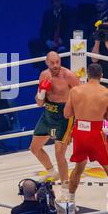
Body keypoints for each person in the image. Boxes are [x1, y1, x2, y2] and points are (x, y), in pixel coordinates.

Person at [63, 63, 108, 214]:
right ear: (101, 75)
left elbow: (66, 114)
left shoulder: (75, 90)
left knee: (78, 168)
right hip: (95, 133)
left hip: (79, 131)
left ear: (87, 75)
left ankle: (69, 207)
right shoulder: (107, 93)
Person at [31, 52, 80, 196]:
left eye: (57, 62)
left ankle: (66, 190)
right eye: (52, 63)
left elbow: (81, 95)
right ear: (46, 62)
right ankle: (52, 171)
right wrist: (41, 92)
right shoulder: (44, 75)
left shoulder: (69, 76)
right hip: (48, 113)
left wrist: (77, 121)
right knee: (34, 148)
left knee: (59, 154)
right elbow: (39, 103)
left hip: (65, 116)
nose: (56, 65)